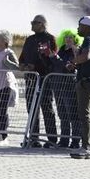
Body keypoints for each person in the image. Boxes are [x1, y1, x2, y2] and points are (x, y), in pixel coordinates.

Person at [69, 15, 90, 159]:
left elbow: (87, 56)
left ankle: (86, 148)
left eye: (80, 26)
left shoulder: (89, 39)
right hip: (89, 81)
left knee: (85, 115)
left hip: (88, 81)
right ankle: (87, 147)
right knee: (86, 115)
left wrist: (73, 61)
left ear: (87, 27)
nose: (78, 28)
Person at [21, 15, 59, 148]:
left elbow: (53, 59)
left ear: (42, 24)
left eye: (34, 22)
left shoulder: (50, 39)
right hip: (31, 79)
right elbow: (22, 57)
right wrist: (23, 65)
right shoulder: (29, 40)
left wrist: (37, 66)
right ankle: (33, 138)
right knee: (32, 109)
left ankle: (52, 139)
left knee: (47, 108)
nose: (32, 24)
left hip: (44, 79)